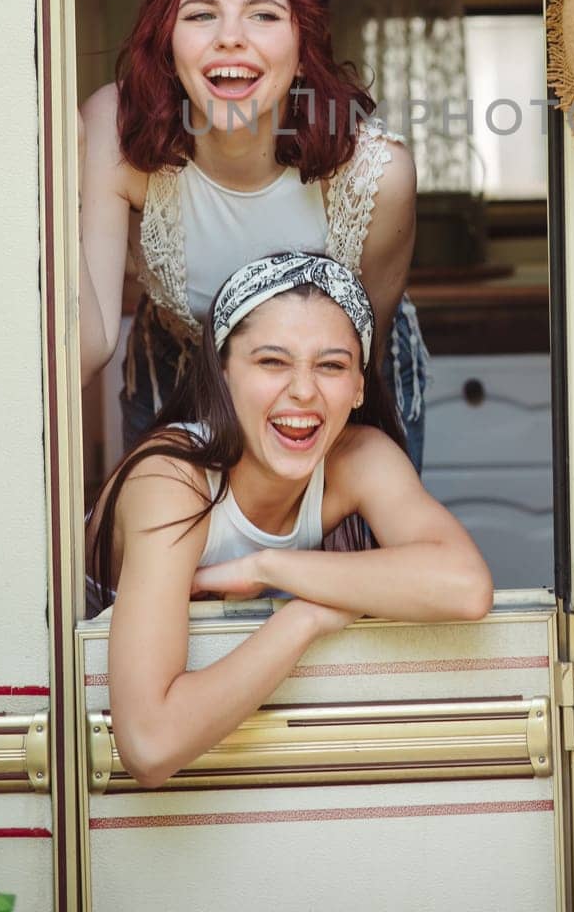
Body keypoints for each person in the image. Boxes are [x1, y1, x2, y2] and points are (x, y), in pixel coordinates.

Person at [87, 252, 492, 789]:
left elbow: (465, 587)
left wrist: (269, 569)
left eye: (331, 365)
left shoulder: (358, 457)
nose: (303, 390)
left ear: (359, 388)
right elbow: (149, 745)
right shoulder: (170, 480)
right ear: (224, 370)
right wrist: (306, 619)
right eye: (273, 362)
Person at [78, 0, 428, 466]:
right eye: (201, 16)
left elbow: (357, 369)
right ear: (167, 38)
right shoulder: (115, 131)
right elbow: (87, 346)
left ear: (302, 41)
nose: (231, 39)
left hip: (333, 382)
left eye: (263, 15)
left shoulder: (378, 177)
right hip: (179, 367)